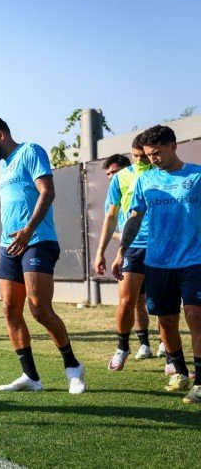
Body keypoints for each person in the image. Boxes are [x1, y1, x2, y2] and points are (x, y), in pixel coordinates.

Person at [0, 117, 85, 394]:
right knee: (10, 309)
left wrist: (27, 230)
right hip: (9, 245)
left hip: (37, 240)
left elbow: (47, 192)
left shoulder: (30, 151)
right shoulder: (4, 166)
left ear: (1, 135)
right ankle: (31, 376)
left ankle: (73, 368)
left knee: (38, 308)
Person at [111, 125, 201, 404]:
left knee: (196, 317)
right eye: (149, 155)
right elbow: (135, 217)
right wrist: (121, 251)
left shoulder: (197, 174)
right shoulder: (145, 180)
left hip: (194, 258)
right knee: (166, 319)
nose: (153, 159)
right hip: (158, 260)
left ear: (173, 146)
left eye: (158, 153)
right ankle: (181, 372)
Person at [95, 139, 155, 371]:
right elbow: (111, 219)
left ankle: (170, 356)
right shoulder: (121, 179)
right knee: (128, 301)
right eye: (136, 156)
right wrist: (101, 253)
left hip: (163, 247)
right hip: (134, 247)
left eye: (144, 156)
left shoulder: (163, 174)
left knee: (161, 306)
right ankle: (123, 347)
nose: (140, 160)